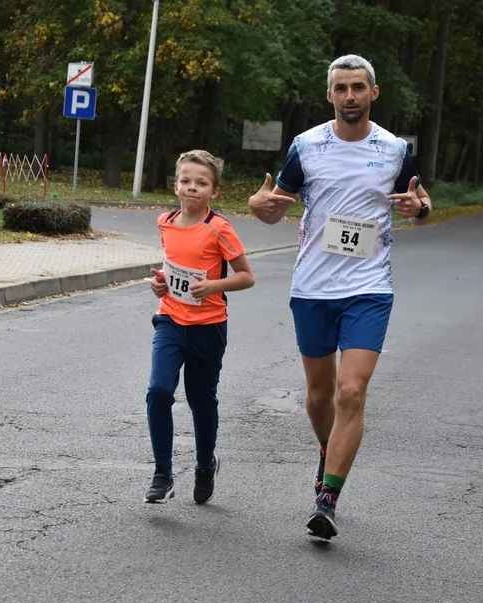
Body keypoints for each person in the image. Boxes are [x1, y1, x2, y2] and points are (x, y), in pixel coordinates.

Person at [248, 54, 432, 540]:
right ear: (329, 95)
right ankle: (329, 451)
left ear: (374, 92)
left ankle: (326, 497)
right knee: (319, 395)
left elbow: (419, 199)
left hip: (370, 287)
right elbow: (275, 209)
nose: (350, 95)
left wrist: (421, 208)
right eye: (341, 88)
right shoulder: (306, 146)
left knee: (351, 391)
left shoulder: (394, 149)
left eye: (358, 87)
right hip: (312, 286)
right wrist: (257, 206)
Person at [143, 150, 256, 504]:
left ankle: (206, 464)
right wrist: (160, 284)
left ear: (214, 191)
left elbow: (246, 277)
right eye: (186, 181)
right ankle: (162, 473)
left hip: (209, 326)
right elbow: (172, 269)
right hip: (170, 320)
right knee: (159, 390)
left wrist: (213, 286)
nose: (192, 188)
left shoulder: (218, 228)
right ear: (176, 185)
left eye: (201, 183)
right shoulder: (165, 221)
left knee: (200, 399)